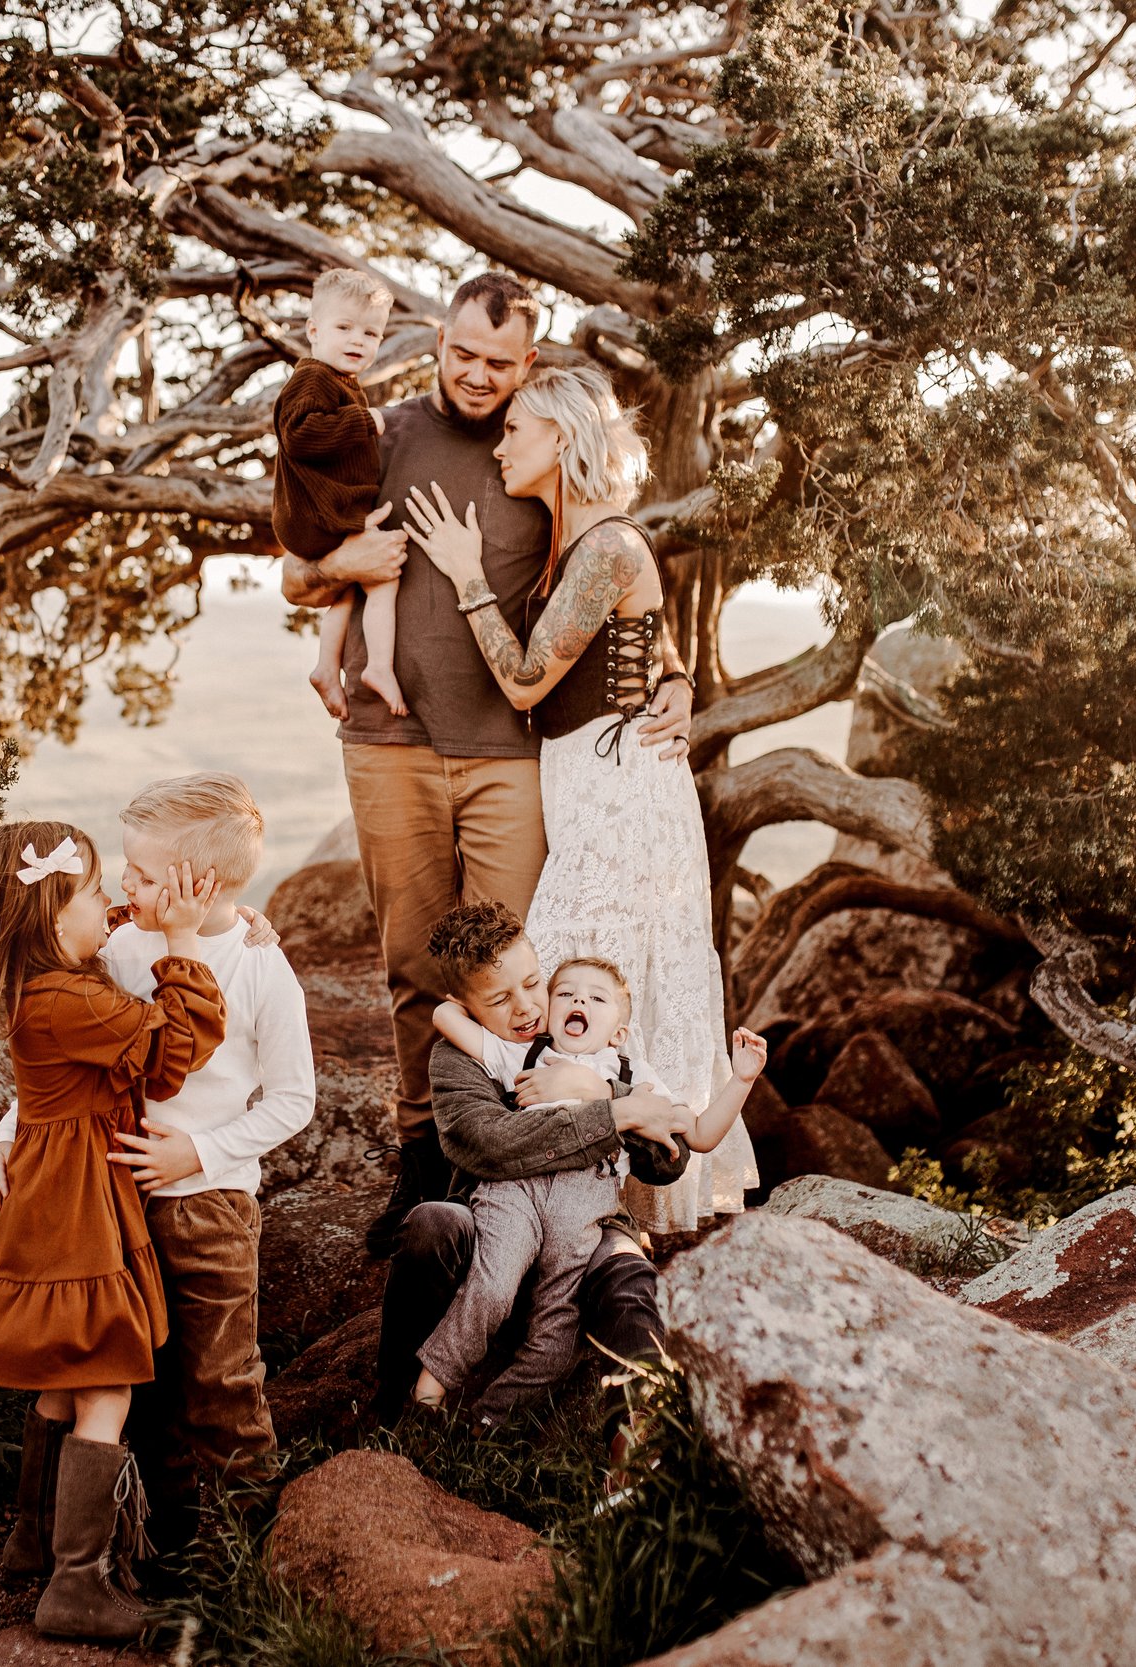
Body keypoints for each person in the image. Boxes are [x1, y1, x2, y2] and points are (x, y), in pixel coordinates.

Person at [277, 271, 695, 1252]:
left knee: (515, 974)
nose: (475, 373)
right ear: (436, 341)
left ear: (528, 362)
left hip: (516, 756)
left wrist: (674, 676)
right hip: (390, 746)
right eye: (460, 352)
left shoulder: (538, 445)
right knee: (415, 967)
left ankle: (518, 1169)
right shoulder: (376, 434)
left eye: (497, 362)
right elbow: (296, 566)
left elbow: (617, 574)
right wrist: (339, 568)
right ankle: (425, 1163)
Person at [402, 362, 761, 1231]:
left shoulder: (605, 546)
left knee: (591, 970)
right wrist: (676, 676)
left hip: (621, 792)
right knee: (591, 973)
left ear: (561, 437)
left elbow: (527, 680)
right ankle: (573, 1190)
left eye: (516, 430)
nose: (501, 445)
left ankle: (619, 1197)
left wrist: (467, 575)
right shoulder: (581, 542)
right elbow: (647, 642)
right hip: (590, 780)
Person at [0, 774, 314, 1562]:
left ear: (200, 882)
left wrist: (197, 1151)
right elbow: (60, 1060)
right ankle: (164, 1542)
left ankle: (251, 1547)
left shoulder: (262, 967)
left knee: (222, 1378)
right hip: (112, 1206)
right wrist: (6, 1132)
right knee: (145, 1379)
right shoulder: (118, 949)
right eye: (123, 870)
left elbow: (294, 1099)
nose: (124, 885)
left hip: (210, 1209)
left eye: (139, 871)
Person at [0, 820, 226, 1642]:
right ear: (56, 918)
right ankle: (78, 1584)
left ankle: (35, 1537)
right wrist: (185, 941)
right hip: (78, 1198)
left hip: (56, 1190)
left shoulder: (46, 984)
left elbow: (106, 948)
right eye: (96, 893)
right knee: (105, 1374)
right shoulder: (73, 999)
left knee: (62, 1372)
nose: (110, 903)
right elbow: (176, 1049)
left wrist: (195, 920)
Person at [370, 901, 692, 1425]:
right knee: (432, 1223)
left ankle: (637, 1433)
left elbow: (668, 1161)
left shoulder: (588, 1046)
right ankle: (398, 1403)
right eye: (500, 998)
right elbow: (493, 1144)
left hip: (582, 1227)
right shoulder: (456, 1058)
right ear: (464, 1006)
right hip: (496, 1232)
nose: (525, 1008)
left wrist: (602, 1090)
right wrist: (618, 1114)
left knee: (629, 1272)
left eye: (533, 983)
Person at [415, 949, 767, 1419]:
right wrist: (467, 996)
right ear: (550, 1009)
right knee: (491, 1286)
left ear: (619, 1032)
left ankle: (490, 1420)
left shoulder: (632, 1078)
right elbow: (445, 1018)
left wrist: (741, 1081)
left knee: (559, 1324)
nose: (579, 1001)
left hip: (584, 1201)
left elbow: (699, 1135)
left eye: (597, 998)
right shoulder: (526, 1052)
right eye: (565, 993)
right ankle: (427, 1393)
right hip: (515, 1189)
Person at [275, 269, 405, 721]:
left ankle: (326, 668)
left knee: (346, 590)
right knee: (382, 576)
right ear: (314, 331)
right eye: (344, 327)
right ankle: (379, 667)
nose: (358, 340)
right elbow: (298, 435)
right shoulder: (313, 379)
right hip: (317, 517)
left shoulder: (341, 381)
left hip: (324, 513)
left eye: (370, 333)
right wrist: (363, 421)